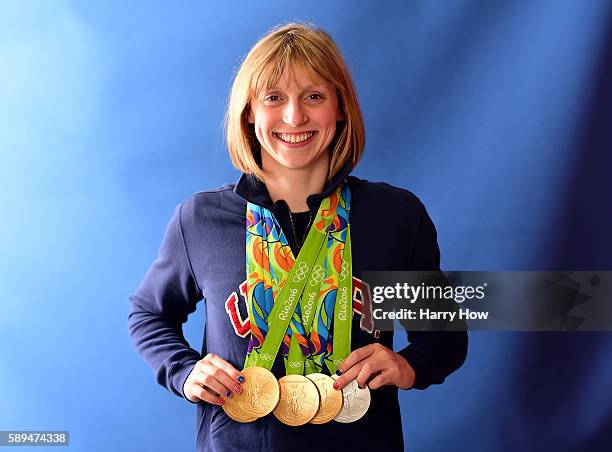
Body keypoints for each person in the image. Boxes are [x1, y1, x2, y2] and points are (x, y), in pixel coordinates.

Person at [128, 22, 468, 452]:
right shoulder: (199, 219)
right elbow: (148, 313)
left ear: (340, 107)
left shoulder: (396, 215)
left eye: (314, 96)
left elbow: (445, 336)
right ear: (249, 111)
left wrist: (409, 365)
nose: (295, 116)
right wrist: (183, 370)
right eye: (274, 97)